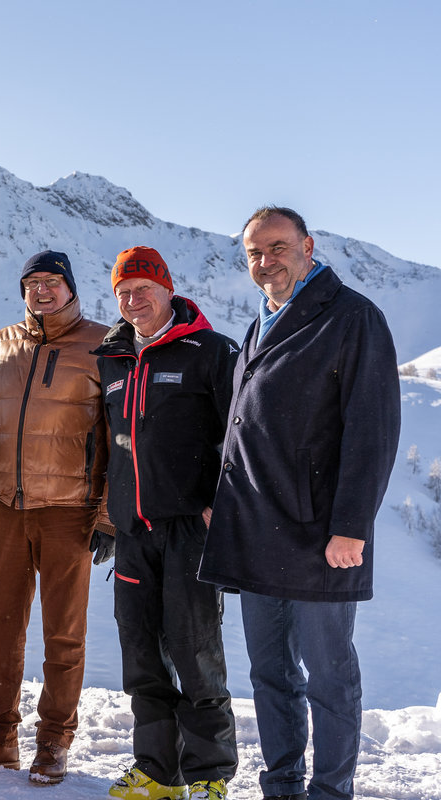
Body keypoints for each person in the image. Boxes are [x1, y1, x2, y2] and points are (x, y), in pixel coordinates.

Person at [200, 208, 400, 800]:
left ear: (307, 247)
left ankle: (331, 792)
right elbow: (245, 426)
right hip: (258, 531)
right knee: (269, 674)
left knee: (330, 677)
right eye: (255, 253)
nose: (266, 261)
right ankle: (281, 785)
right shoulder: (261, 322)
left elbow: (372, 431)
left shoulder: (352, 317)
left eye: (278, 247)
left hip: (321, 537)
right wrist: (223, 500)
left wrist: (351, 528)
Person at [0, 250, 111, 785]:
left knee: (63, 634)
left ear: (70, 288)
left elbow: (117, 438)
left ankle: (54, 742)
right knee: (2, 627)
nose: (41, 291)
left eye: (51, 282)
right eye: (32, 283)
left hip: (69, 510)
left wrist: (107, 516)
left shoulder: (104, 343)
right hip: (6, 507)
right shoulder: (0, 344)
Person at [93, 247, 239, 800]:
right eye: (123, 292)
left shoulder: (211, 351)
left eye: (143, 289)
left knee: (195, 652)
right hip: (134, 531)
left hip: (189, 530)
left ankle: (209, 777)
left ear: (168, 288)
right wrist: (107, 517)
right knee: (142, 658)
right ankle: (158, 773)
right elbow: (106, 445)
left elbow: (239, 437)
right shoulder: (111, 357)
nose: (133, 301)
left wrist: (217, 506)